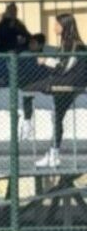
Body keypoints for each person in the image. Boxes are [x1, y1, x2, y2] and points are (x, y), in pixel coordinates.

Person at [24, 13, 86, 168]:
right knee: (57, 117)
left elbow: (64, 68)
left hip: (70, 82)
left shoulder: (75, 45)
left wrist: (46, 60)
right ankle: (54, 153)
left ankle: (27, 124)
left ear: (65, 26)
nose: (54, 27)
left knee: (28, 90)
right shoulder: (65, 44)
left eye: (57, 24)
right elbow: (61, 65)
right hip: (66, 81)